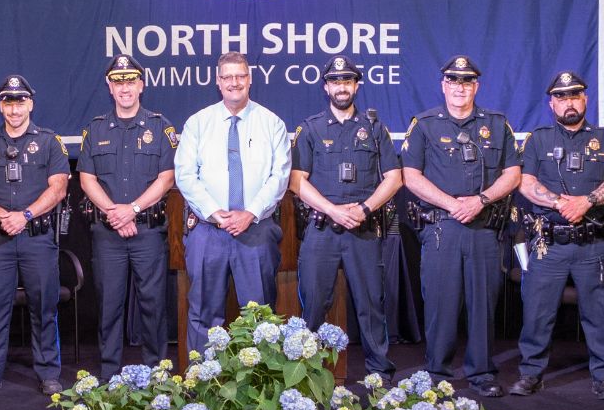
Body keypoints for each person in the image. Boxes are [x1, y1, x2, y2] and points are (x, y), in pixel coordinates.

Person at [401, 55, 521, 397]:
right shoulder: (424, 124)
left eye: (466, 82)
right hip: (443, 226)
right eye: (453, 81)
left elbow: (513, 173)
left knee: (483, 303)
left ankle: (482, 373)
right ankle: (437, 372)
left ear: (476, 87)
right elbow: (411, 175)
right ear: (443, 86)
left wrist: (480, 201)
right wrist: (453, 204)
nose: (460, 87)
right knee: (441, 302)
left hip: (483, 227)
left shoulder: (497, 124)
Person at [510, 71, 604, 400]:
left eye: (575, 96)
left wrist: (586, 202)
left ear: (585, 99)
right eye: (561, 98)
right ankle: (531, 374)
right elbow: (525, 183)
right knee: (537, 314)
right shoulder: (538, 139)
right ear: (551, 104)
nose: (568, 103)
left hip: (593, 242)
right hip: (549, 244)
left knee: (600, 314)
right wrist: (561, 202)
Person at [289, 55, 401, 381]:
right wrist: (332, 209)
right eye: (335, 81)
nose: (342, 87)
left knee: (370, 306)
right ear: (326, 87)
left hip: (363, 230)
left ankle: (379, 375)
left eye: (348, 81)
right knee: (312, 306)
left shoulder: (374, 128)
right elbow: (297, 181)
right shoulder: (310, 128)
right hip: (322, 229)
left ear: (356, 85)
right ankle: (305, 374)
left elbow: (394, 178)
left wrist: (365, 209)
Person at [174, 51, 291, 353]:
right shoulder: (198, 123)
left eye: (240, 76)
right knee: (203, 314)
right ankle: (203, 387)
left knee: (259, 317)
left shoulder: (272, 123)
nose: (234, 82)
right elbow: (185, 175)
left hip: (255, 230)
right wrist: (215, 213)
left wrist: (249, 213)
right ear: (218, 81)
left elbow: (279, 177)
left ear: (250, 80)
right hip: (207, 230)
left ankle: (260, 389)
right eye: (227, 77)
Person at [77, 55, 176, 381]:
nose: (125, 88)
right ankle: (109, 376)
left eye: (130, 81)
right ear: (110, 86)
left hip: (147, 231)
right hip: (108, 234)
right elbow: (87, 179)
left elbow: (167, 178)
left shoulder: (161, 127)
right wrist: (114, 213)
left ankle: (156, 375)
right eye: (118, 82)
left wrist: (131, 209)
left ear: (141, 85)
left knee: (153, 306)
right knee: (109, 306)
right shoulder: (95, 129)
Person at [0, 75, 69, 396]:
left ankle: (48, 373)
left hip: (37, 238)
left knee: (44, 305)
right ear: (1, 106)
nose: (14, 109)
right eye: (8, 102)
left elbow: (59, 187)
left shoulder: (49, 141)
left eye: (20, 102)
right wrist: (4, 216)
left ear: (30, 103)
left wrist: (26, 215)